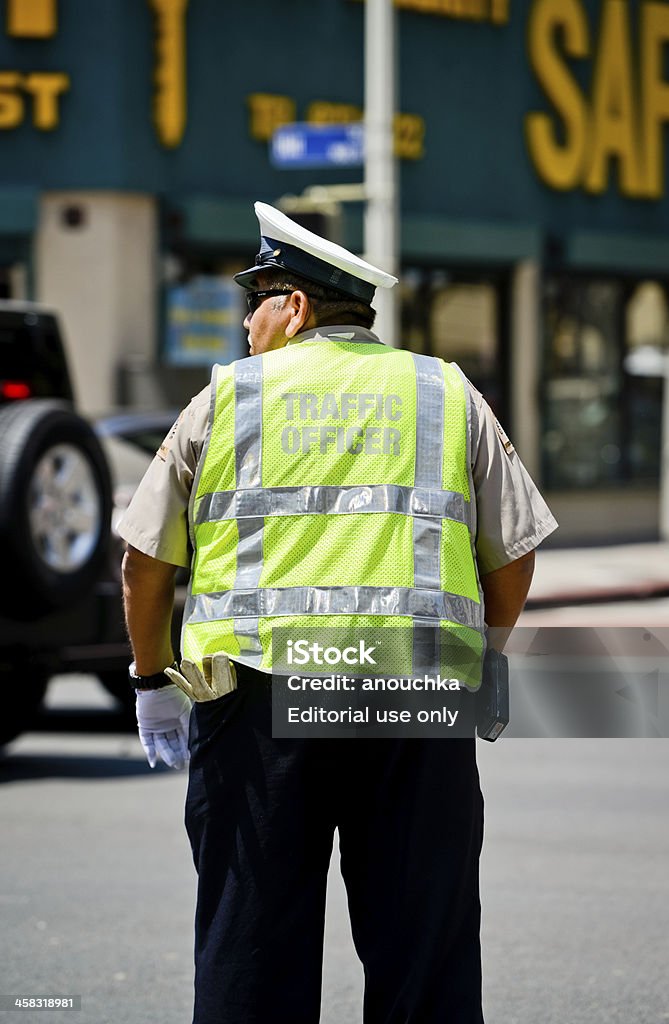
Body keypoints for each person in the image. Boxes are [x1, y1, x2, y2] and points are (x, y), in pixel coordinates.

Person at [119, 202, 558, 1024]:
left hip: (258, 704)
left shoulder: (225, 401)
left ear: (294, 307)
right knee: (422, 953)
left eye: (253, 302)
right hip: (415, 700)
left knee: (251, 950)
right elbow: (515, 550)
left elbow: (145, 561)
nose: (244, 324)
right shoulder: (445, 392)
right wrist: (484, 657)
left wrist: (150, 678)